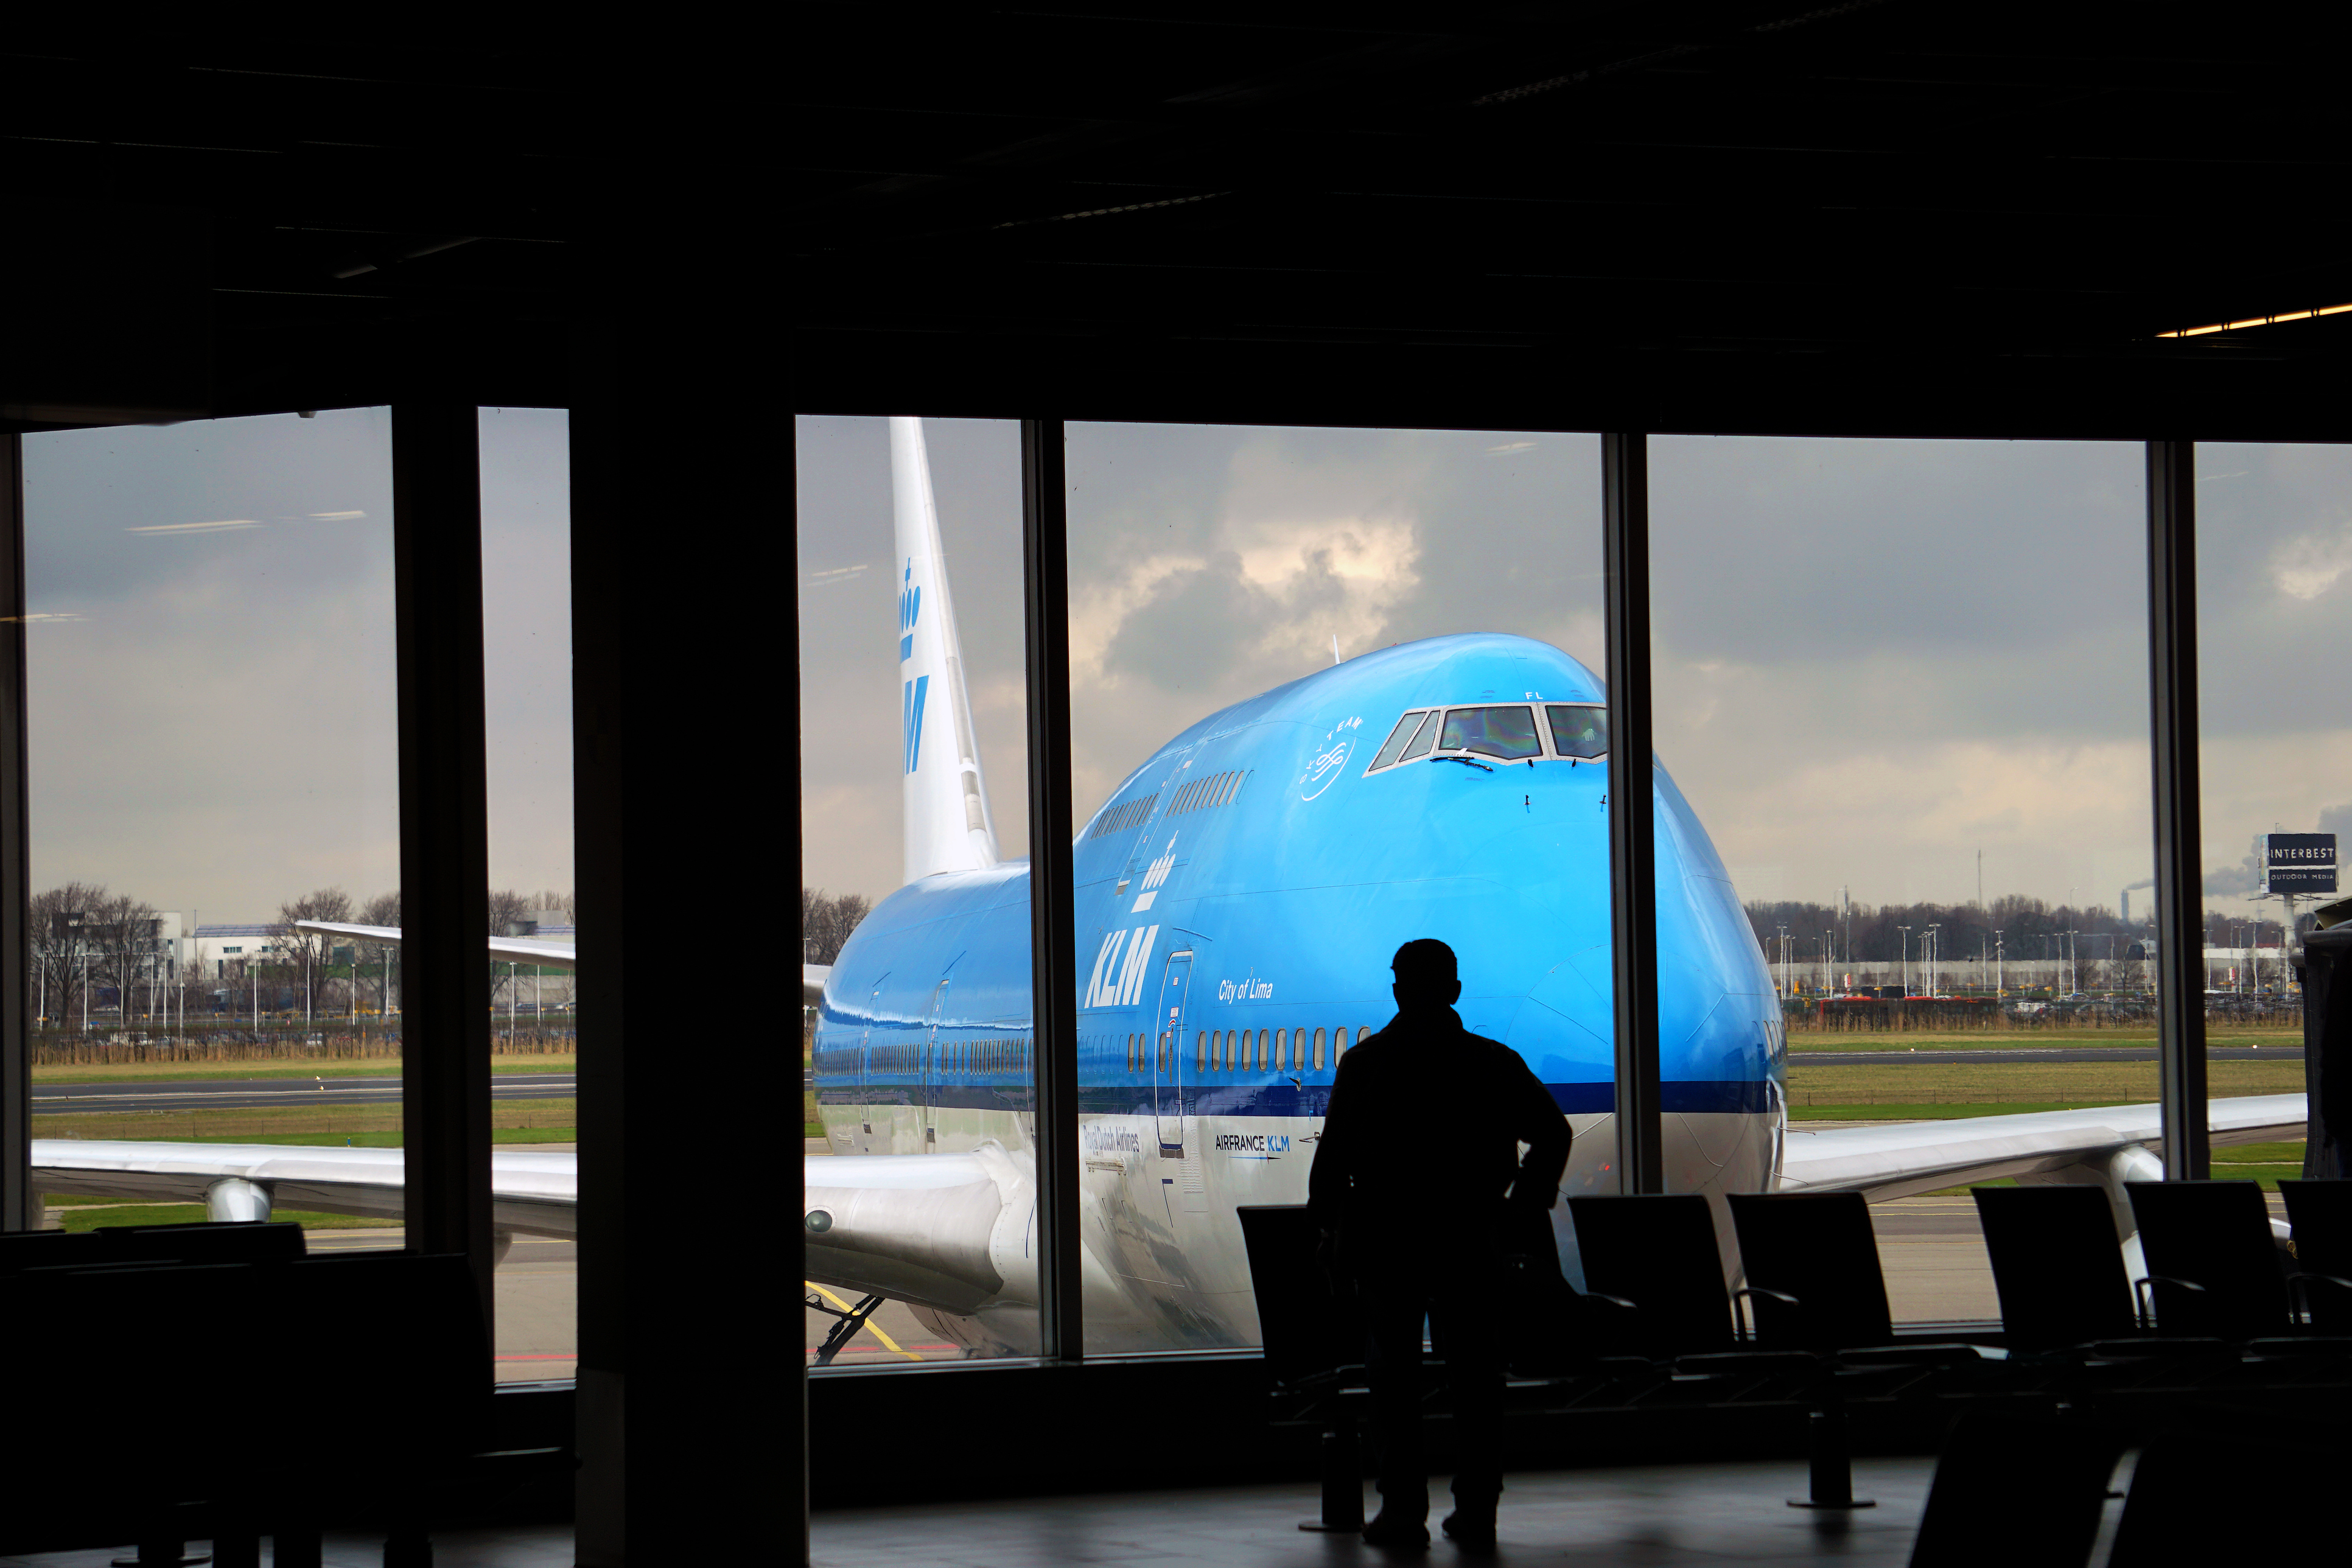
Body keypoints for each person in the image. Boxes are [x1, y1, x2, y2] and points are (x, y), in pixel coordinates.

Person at [1307, 938, 1572, 1552]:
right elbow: (1554, 1132)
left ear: (1398, 990)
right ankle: (1478, 1506)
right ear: (1455, 990)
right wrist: (1521, 1207)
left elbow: (1332, 1163)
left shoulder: (1366, 1065)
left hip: (1387, 1240)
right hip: (1466, 1237)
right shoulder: (1493, 1063)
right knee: (1477, 1380)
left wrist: (1327, 1230)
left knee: (1392, 1380)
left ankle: (1402, 1508)